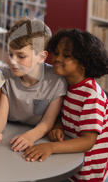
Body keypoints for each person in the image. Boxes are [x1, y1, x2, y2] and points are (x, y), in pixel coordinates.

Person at [23, 29, 108, 182]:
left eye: (66, 55)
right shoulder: (65, 85)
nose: (56, 58)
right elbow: (63, 115)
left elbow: (88, 141)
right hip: (69, 162)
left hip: (88, 172)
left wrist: (50, 148)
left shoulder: (92, 95)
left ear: (84, 63)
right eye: (56, 53)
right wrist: (58, 126)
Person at [0, 18, 67, 152]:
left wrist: (31, 136)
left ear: (41, 57)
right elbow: (1, 115)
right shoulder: (4, 75)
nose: (12, 61)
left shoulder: (57, 81)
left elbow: (47, 122)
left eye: (21, 56)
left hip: (39, 138)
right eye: (10, 54)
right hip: (9, 135)